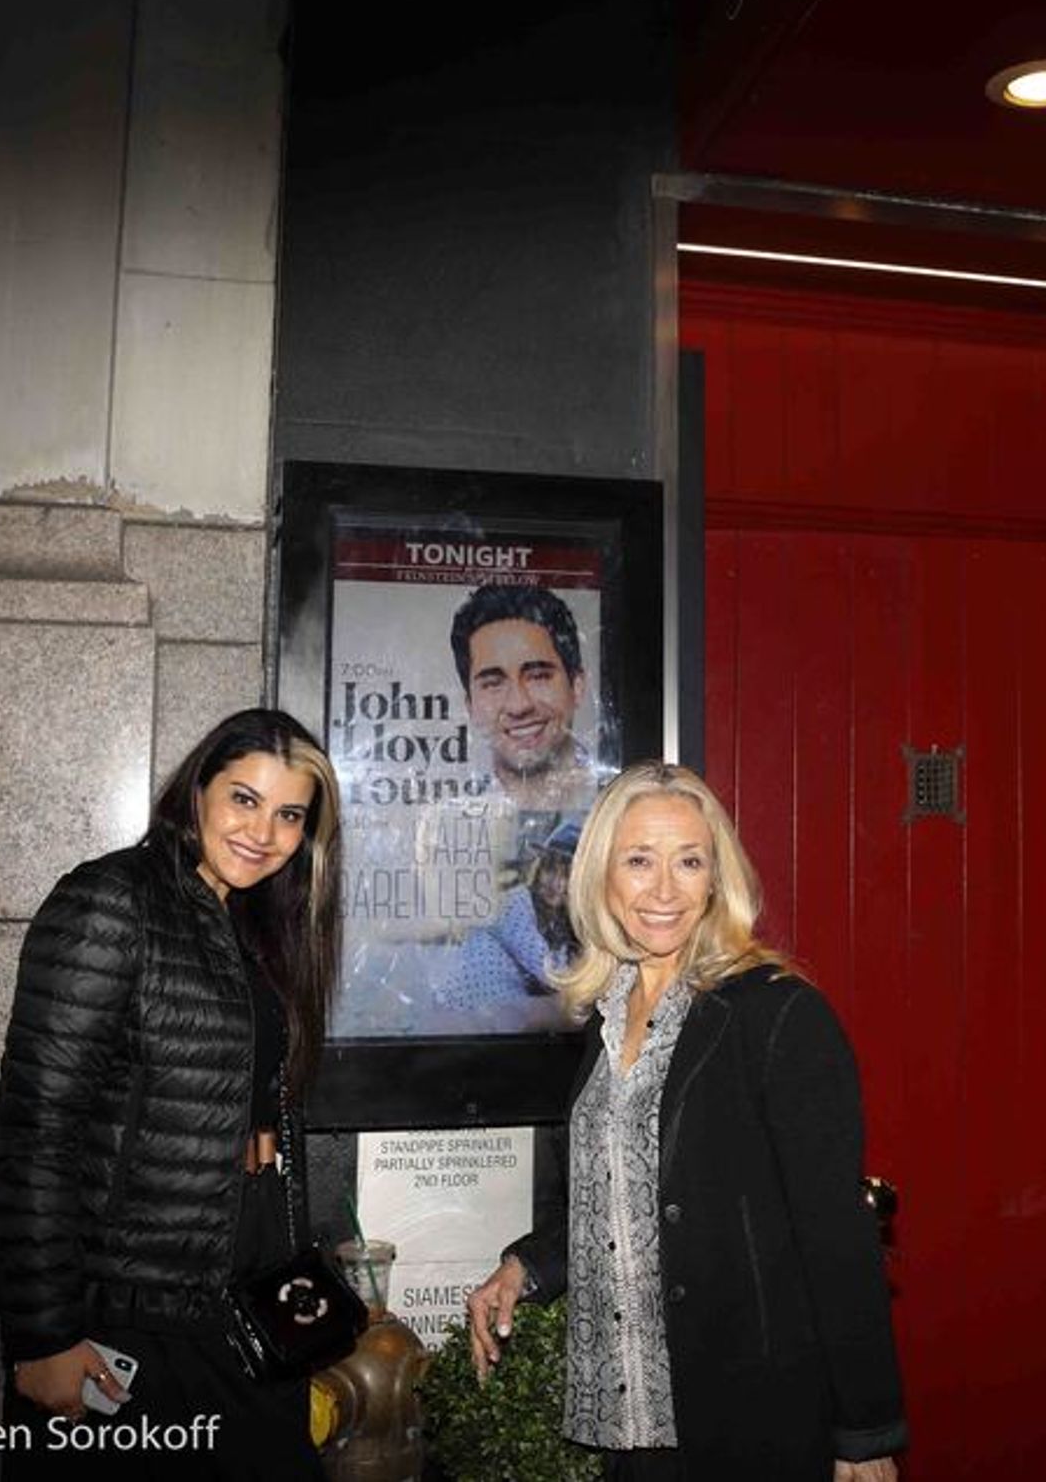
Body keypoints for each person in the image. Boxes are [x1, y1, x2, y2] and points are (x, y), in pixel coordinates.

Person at [467, 761, 906, 1481]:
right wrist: (528, 1264)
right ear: (601, 874)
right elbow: (624, 1198)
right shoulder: (608, 1016)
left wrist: (865, 1431)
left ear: (716, 879)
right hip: (631, 1424)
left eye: (689, 860)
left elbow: (837, 1235)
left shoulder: (779, 1015)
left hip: (748, 1417)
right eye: (639, 860)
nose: (665, 888)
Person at [0, 708, 343, 1478]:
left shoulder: (257, 925)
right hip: (125, 1315)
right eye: (244, 799)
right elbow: (36, 1131)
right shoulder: (109, 902)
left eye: (289, 813)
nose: (263, 832)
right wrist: (43, 1335)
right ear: (197, 791)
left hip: (234, 1302)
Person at [449, 583, 596, 809]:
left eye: (538, 676)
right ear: (470, 706)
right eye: (493, 684)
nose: (519, 705)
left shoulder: (625, 808)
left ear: (577, 686)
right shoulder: (453, 817)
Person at [436, 819, 581, 1010]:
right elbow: (552, 974)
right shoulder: (515, 903)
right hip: (463, 1012)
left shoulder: (558, 920)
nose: (557, 883)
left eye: (567, 876)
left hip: (495, 1014)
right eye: (551, 870)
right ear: (539, 870)